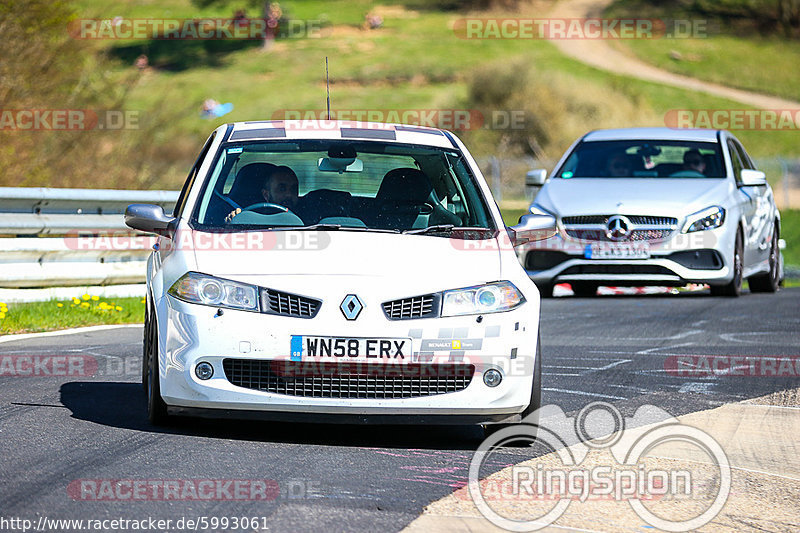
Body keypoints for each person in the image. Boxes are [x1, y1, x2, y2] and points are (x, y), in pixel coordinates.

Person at [225, 165, 300, 222]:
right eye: (282, 189)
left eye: (293, 189)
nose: (289, 194)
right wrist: (233, 222)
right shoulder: (249, 220)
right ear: (266, 195)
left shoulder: (309, 222)